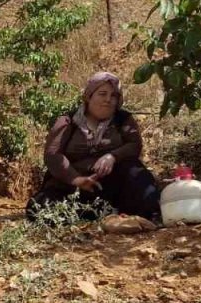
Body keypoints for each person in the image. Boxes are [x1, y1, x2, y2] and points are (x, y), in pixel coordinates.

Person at [28, 72, 161, 223]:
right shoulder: (68, 121)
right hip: (73, 187)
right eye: (102, 94)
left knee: (137, 173)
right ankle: (97, 216)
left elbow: (134, 145)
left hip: (111, 186)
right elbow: (53, 154)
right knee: (37, 208)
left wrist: (113, 156)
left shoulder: (123, 119)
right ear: (88, 96)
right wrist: (77, 179)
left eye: (113, 95)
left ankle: (138, 216)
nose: (108, 100)